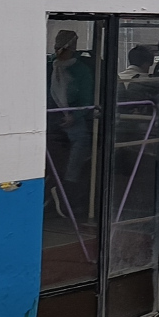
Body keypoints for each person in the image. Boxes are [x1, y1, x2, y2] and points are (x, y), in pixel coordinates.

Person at [47, 30, 96, 209]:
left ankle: (68, 183)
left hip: (71, 117)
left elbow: (86, 101)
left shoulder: (80, 70)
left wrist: (73, 116)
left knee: (81, 141)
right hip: (48, 116)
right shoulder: (48, 65)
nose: (60, 51)